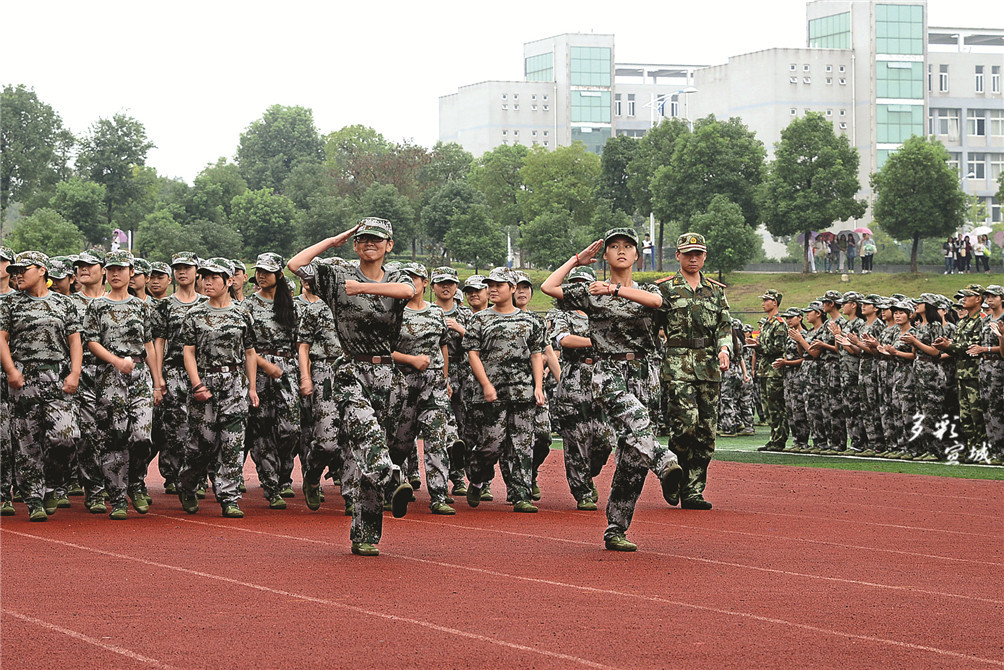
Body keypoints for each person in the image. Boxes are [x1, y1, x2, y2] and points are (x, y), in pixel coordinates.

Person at [542, 228, 683, 552]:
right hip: (608, 371)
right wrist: (577, 260)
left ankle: (616, 528)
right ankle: (664, 462)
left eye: (627, 246)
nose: (621, 251)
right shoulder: (591, 293)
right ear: (605, 255)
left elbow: (657, 302)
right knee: (637, 422)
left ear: (637, 255)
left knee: (633, 458)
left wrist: (616, 290)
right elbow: (548, 287)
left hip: (644, 372)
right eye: (614, 247)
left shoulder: (645, 291)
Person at [288, 217, 417, 557]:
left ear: (389, 245)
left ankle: (365, 534)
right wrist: (333, 240)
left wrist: (362, 289)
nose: (368, 244)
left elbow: (409, 292)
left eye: (376, 239)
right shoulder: (336, 274)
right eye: (362, 240)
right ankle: (392, 479)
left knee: (369, 455)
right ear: (355, 245)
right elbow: (295, 264)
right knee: (368, 434)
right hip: (349, 369)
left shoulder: (397, 277)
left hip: (388, 373)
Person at [0, 251, 82, 522]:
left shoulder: (63, 303)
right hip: (24, 377)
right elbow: (1, 338)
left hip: (57, 375)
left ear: (42, 271)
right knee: (27, 442)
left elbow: (74, 340)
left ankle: (53, 484)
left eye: (24, 269)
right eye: (15, 271)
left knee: (66, 437)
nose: (17, 275)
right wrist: (11, 370)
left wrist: (74, 373)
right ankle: (34, 498)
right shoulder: (10, 303)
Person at [653, 232, 733, 509]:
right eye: (688, 254)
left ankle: (693, 491)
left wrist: (725, 349)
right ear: (678, 256)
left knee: (706, 433)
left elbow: (724, 326)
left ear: (705, 256)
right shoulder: (664, 289)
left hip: (709, 365)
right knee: (685, 426)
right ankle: (673, 475)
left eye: (698, 253)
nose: (693, 258)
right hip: (678, 365)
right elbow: (653, 327)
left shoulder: (716, 290)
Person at [82, 250, 163, 518]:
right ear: (106, 272)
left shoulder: (142, 306)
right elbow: (92, 342)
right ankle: (117, 497)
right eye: (111, 269)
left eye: (121, 269)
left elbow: (149, 343)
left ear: (131, 272)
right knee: (114, 438)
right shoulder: (97, 306)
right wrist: (117, 361)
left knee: (142, 436)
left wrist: (156, 381)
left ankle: (136, 482)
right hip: (109, 377)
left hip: (140, 375)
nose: (116, 274)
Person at [178, 258, 258, 517]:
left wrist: (252, 387)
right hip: (205, 383)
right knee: (203, 443)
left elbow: (249, 352)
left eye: (214, 277)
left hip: (234, 383)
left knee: (233, 443)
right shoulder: (195, 314)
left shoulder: (242, 313)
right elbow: (187, 352)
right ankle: (188, 484)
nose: (207, 282)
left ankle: (229, 497)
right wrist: (196, 383)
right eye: (205, 277)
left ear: (229, 281)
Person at [462, 267, 545, 514]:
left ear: (512, 288)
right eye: (491, 285)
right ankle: (477, 479)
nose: (493, 289)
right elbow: (473, 354)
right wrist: (486, 385)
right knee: (491, 445)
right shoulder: (480, 319)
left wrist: (538, 387)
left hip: (522, 391)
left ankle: (520, 494)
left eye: (499, 285)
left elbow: (536, 354)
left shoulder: (531, 320)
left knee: (522, 445)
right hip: (490, 394)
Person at [389, 262, 462, 515]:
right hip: (403, 383)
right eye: (405, 278)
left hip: (434, 385)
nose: (411, 282)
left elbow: (443, 347)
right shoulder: (393, 313)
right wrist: (410, 360)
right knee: (400, 443)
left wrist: (445, 378)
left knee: (436, 439)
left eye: (415, 278)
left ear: (424, 283)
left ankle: (439, 495)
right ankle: (391, 484)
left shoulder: (435, 313)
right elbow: (386, 351)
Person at [549, 265, 616, 510]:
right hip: (574, 376)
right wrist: (597, 342)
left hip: (602, 377)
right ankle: (583, 491)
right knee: (576, 439)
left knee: (605, 440)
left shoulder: (603, 311)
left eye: (583, 284)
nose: (579, 288)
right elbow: (563, 339)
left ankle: (589, 472)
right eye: (574, 283)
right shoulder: (561, 313)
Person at [244, 252, 302, 508]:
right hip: (258, 369)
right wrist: (265, 366)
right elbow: (244, 346)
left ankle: (283, 474)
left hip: (288, 369)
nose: (261, 275)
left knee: (291, 429)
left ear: (279, 275)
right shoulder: (247, 306)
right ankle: (271, 486)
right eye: (259, 271)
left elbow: (302, 343)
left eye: (267, 271)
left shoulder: (292, 306)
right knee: (262, 428)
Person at [152, 252, 206, 497]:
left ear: (197, 271)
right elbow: (159, 341)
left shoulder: (207, 303)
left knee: (202, 426)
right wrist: (159, 376)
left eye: (187, 267)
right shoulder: (165, 305)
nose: (182, 272)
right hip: (174, 370)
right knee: (175, 428)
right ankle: (174, 475)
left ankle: (198, 475)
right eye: (178, 268)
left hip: (202, 371)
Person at [430, 266, 472, 496]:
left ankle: (459, 476)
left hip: (463, 372)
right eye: (441, 283)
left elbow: (480, 342)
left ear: (456, 287)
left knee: (463, 427)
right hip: (436, 372)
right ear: (433, 286)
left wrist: (460, 328)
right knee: (442, 426)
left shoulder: (466, 315)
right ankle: (441, 479)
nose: (446, 287)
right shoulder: (427, 312)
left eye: (450, 283)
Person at [934, 284, 986, 463]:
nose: (963, 299)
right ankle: (971, 448)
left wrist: (949, 347)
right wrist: (946, 344)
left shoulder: (982, 320)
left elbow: (974, 346)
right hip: (962, 373)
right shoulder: (963, 321)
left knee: (977, 414)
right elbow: (958, 345)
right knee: (965, 415)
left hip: (975, 373)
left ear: (978, 298)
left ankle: (980, 449)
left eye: (967, 296)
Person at [750, 290, 789, 452]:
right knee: (767, 408)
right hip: (764, 370)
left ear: (775, 302)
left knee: (776, 406)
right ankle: (773, 438)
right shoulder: (767, 323)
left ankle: (779, 439)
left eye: (767, 300)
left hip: (774, 371)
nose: (763, 303)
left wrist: (759, 347)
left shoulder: (779, 323)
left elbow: (779, 348)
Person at [775, 308, 809, 452]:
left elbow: (805, 358)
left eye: (791, 317)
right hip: (788, 376)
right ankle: (796, 440)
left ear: (800, 318)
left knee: (799, 408)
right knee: (790, 409)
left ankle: (803, 441)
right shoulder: (790, 335)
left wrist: (786, 363)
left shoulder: (803, 335)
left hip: (799, 375)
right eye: (786, 317)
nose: (788, 320)